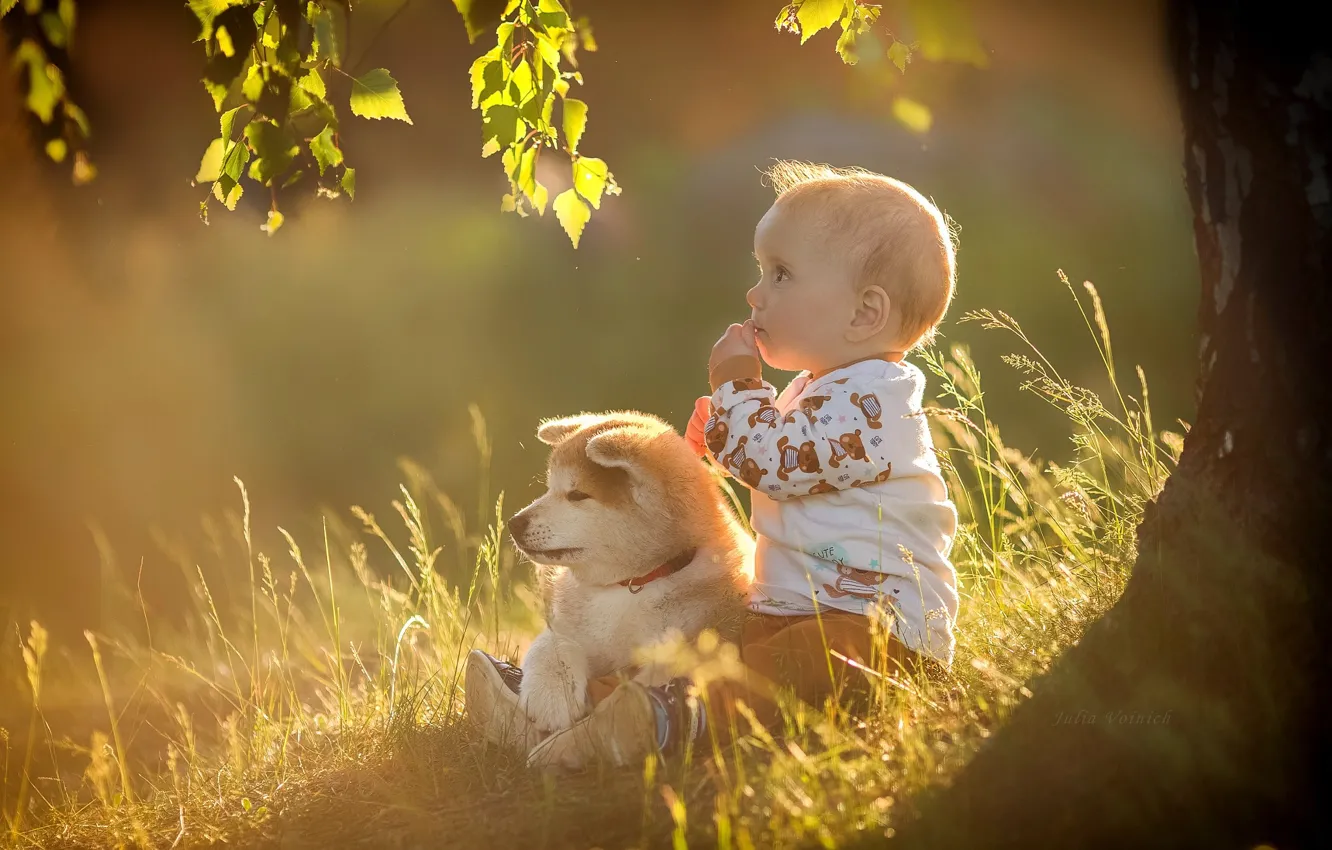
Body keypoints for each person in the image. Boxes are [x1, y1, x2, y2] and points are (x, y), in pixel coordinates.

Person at [471, 161, 960, 769]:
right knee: (704, 655)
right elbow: (796, 479)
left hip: (876, 632)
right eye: (761, 272)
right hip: (783, 614)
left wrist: (737, 387)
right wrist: (721, 444)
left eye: (781, 275)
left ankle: (664, 721)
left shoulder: (875, 403)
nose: (756, 295)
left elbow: (779, 466)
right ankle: (576, 713)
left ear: (864, 315)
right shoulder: (821, 391)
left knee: (784, 667)